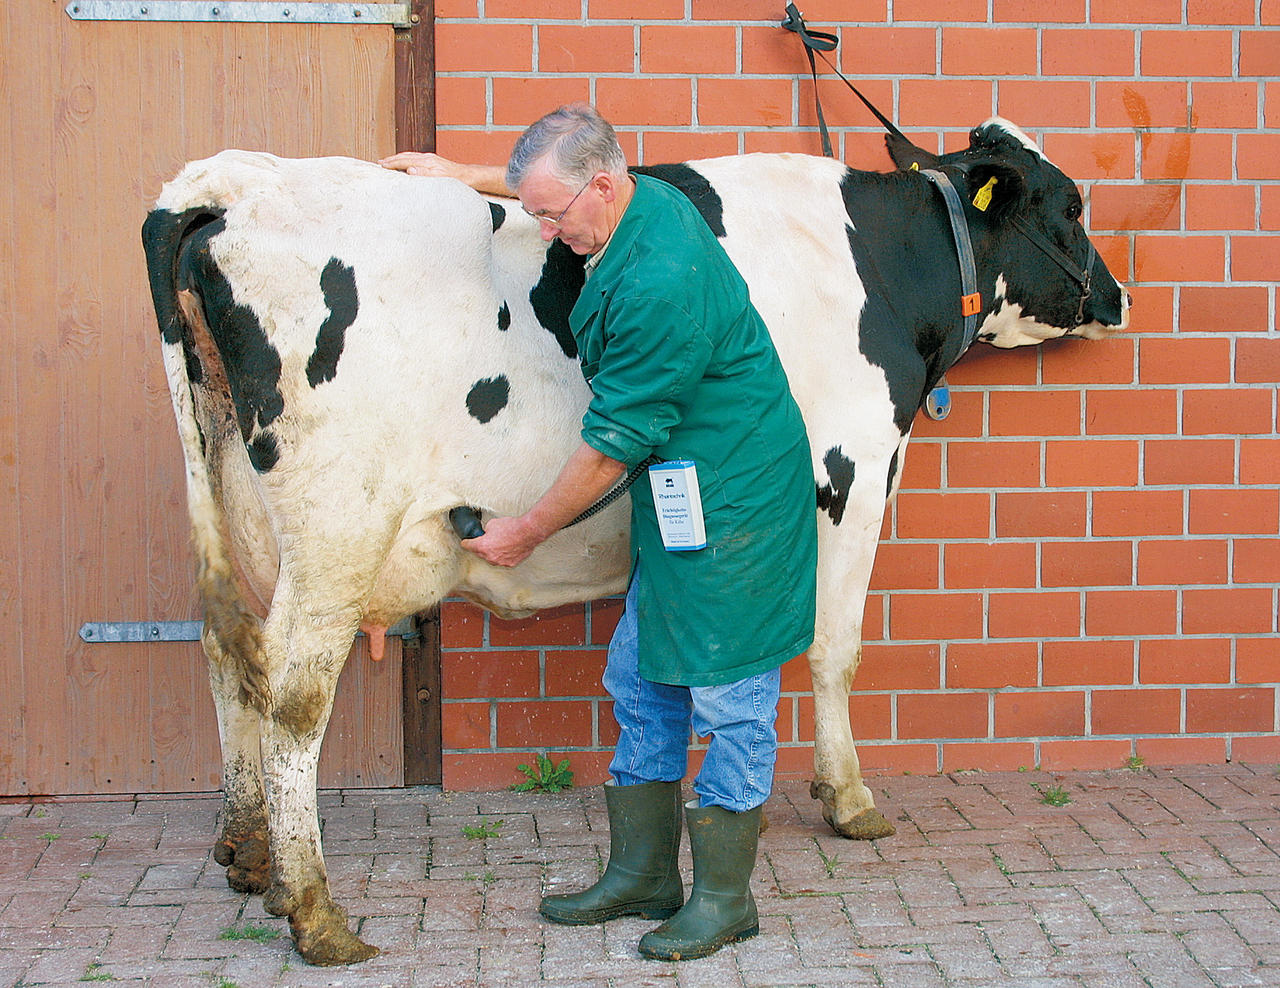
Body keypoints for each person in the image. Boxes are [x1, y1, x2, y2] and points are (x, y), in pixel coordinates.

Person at [381, 104, 817, 961]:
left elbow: (614, 442)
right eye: (535, 210)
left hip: (739, 502)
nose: (544, 229)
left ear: (606, 187)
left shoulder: (660, 280)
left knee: (729, 700)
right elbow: (564, 180)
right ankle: (644, 875)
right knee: (641, 675)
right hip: (683, 492)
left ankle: (725, 898)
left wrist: (526, 533)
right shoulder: (633, 196)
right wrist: (463, 176)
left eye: (550, 215)